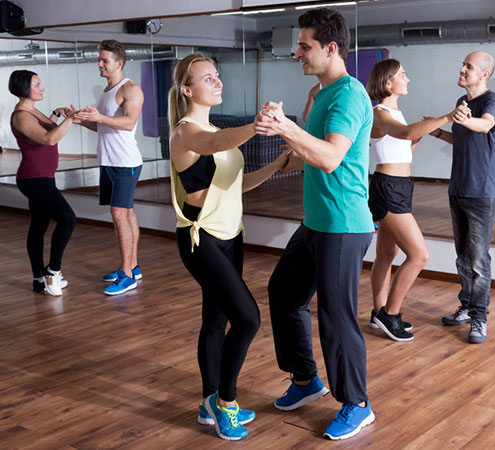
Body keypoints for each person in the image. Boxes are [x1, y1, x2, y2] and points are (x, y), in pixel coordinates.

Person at [254, 7, 375, 441]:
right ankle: (306, 379)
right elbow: (309, 152)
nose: (298, 54)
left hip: (343, 224)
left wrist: (287, 126)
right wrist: (282, 141)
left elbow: (329, 157)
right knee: (283, 293)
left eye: (304, 47)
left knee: (336, 317)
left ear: (330, 48)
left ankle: (357, 403)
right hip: (317, 222)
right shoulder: (321, 92)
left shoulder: (348, 95)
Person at [168, 53, 289, 441]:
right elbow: (214, 142)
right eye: (208, 78)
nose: (217, 82)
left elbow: (235, 183)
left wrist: (276, 167)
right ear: (187, 89)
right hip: (201, 239)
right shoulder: (186, 132)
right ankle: (226, 404)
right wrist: (256, 126)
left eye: (217, 76)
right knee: (249, 319)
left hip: (230, 235)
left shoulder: (215, 130)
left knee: (216, 321)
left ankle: (208, 401)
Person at [365, 58, 454, 342]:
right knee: (419, 255)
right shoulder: (379, 113)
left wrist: (423, 133)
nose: (408, 79)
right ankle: (390, 314)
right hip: (387, 187)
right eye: (403, 75)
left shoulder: (396, 113)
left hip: (401, 185)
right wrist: (448, 117)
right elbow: (404, 133)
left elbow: (405, 146)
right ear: (388, 82)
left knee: (386, 255)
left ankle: (378, 312)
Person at [431, 51, 495, 344]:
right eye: (463, 64)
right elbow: (463, 136)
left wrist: (465, 119)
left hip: (482, 193)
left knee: (478, 262)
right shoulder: (461, 103)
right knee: (462, 258)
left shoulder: (493, 102)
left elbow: (485, 125)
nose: (462, 69)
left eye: (468, 66)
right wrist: (439, 133)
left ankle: (479, 319)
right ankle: (466, 306)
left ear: (484, 74)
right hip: (458, 190)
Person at [75, 40, 144, 295]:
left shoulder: (131, 89)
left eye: (104, 60)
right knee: (126, 214)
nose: (100, 64)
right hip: (110, 160)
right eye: (99, 59)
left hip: (125, 162)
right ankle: (132, 267)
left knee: (119, 215)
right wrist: (82, 121)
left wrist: (99, 117)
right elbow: (105, 125)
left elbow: (128, 123)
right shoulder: (107, 90)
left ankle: (127, 275)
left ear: (119, 63)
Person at [9, 70, 77, 297]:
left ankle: (39, 280)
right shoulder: (21, 115)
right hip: (33, 178)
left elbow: (49, 129)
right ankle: (52, 271)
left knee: (38, 226)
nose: (42, 88)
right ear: (23, 88)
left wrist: (57, 115)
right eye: (37, 85)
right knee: (68, 218)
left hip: (43, 176)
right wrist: (70, 119)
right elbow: (49, 139)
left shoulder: (32, 111)